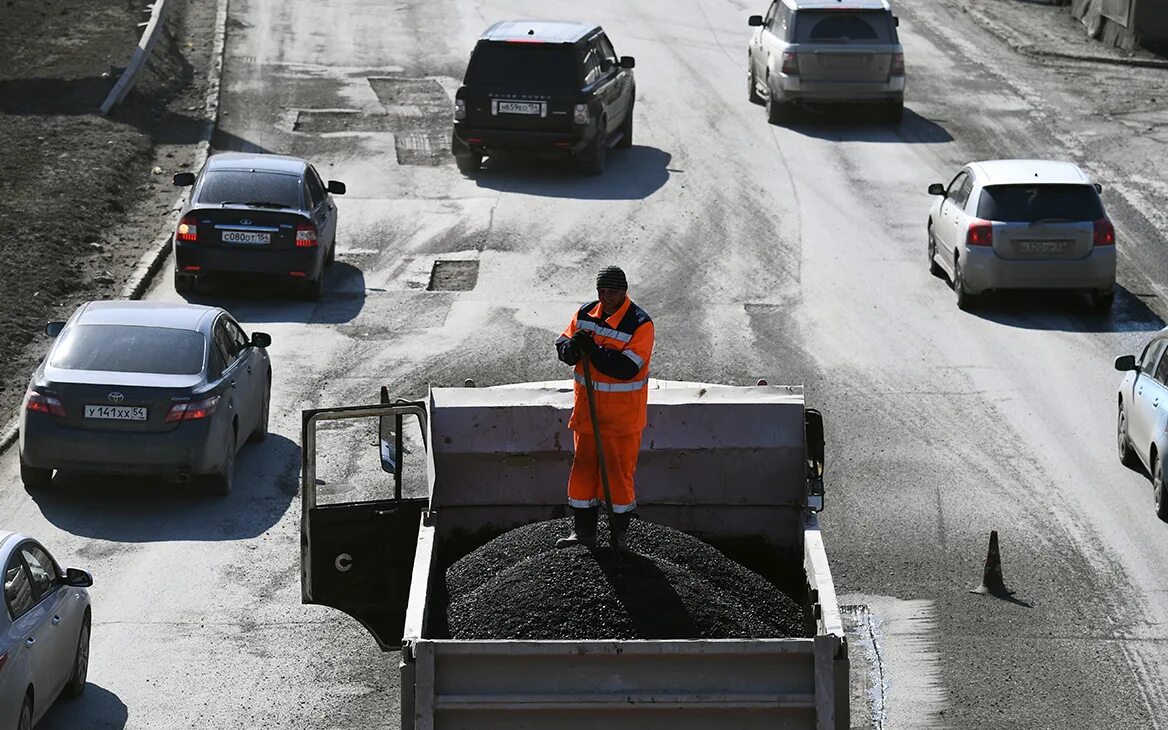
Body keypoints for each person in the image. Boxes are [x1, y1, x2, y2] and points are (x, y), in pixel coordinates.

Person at [554, 265, 654, 551]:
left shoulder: (639, 324)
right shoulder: (586, 314)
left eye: (612, 292)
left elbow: (625, 368)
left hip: (621, 422)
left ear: (624, 291)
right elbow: (563, 343)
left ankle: (618, 538)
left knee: (617, 478)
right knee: (583, 473)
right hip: (587, 416)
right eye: (602, 291)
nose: (606, 297)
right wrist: (571, 349)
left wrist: (593, 350)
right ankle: (583, 534)